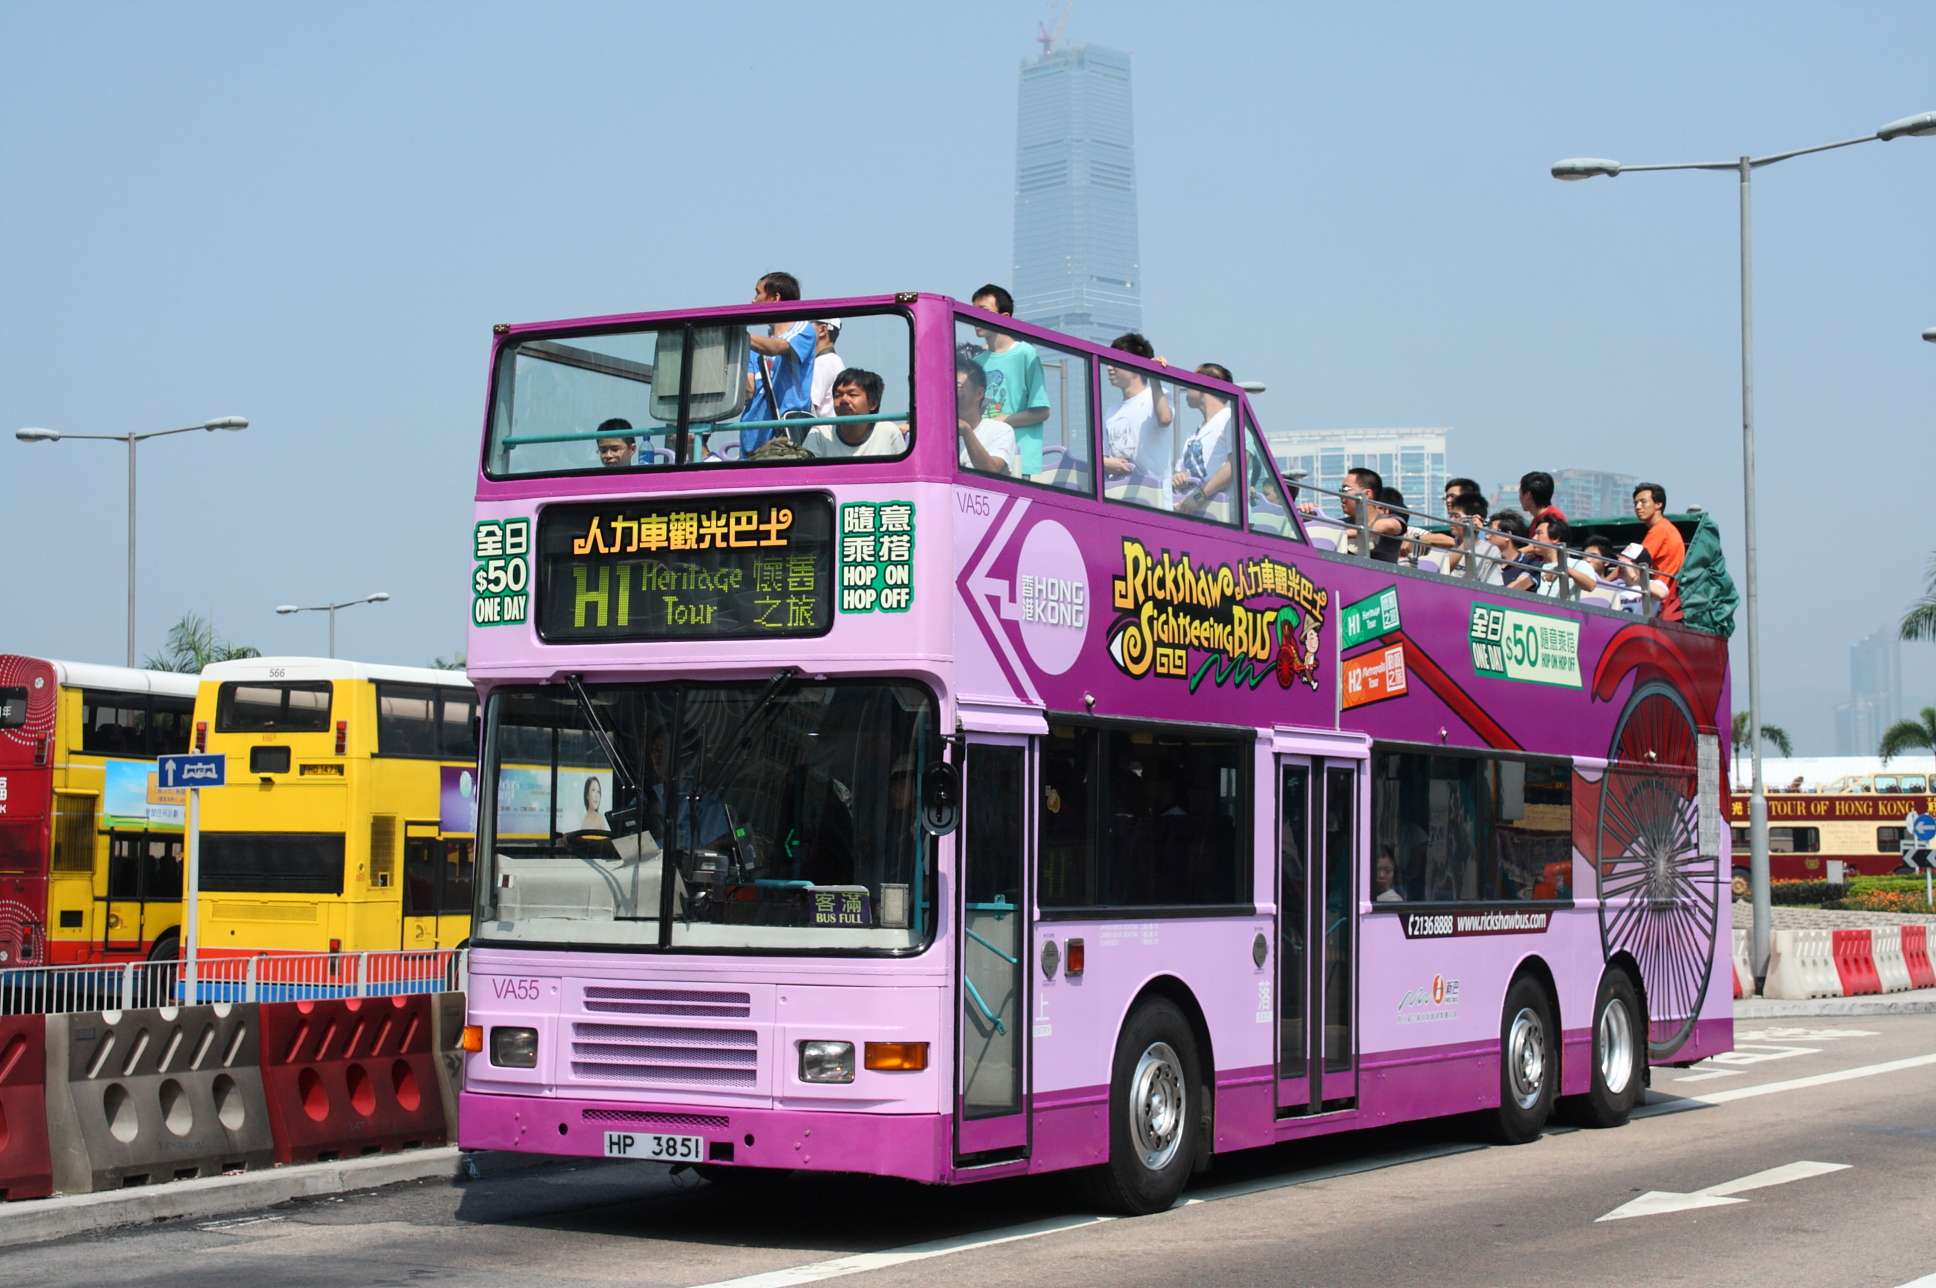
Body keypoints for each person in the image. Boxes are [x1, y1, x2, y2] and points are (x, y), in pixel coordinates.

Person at [969, 285, 1052, 476]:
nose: (975, 318)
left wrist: (1001, 421)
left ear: (1003, 317)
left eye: (983, 311)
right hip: (983, 458)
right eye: (971, 311)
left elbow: (1042, 411)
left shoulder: (1025, 353)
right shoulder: (976, 363)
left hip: (1019, 461)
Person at [739, 272, 815, 455]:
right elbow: (748, 391)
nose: (752, 300)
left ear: (775, 298)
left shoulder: (803, 329)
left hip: (784, 440)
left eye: (758, 293)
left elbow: (778, 346)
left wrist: (737, 335)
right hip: (752, 439)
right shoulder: (755, 348)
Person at [1101, 333, 1175, 508]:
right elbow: (1103, 456)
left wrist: (1155, 377)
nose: (1109, 368)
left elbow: (1165, 418)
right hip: (1118, 499)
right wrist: (1107, 464)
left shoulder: (1156, 395)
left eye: (1115, 361)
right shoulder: (1111, 411)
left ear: (1135, 365)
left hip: (1153, 502)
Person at [1173, 363, 1236, 516]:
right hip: (1192, 511)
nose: (1187, 387)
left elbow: (1233, 466)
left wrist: (1197, 497)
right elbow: (1180, 472)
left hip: (1219, 514)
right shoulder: (1195, 434)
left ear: (1203, 385)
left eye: (1192, 381)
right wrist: (1178, 478)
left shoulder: (1229, 419)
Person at [802, 368, 906, 458]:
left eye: (852, 394)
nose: (843, 400)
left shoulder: (888, 432)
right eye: (838, 395)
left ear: (873, 404)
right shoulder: (819, 434)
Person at [956, 358, 1019, 475]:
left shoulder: (1000, 430)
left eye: (957, 386)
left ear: (979, 393)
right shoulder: (936, 431)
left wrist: (966, 431)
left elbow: (992, 470)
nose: (950, 391)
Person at [1632, 482, 1685, 622]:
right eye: (1636, 503)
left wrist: (1604, 580)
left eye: (1643, 502)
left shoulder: (1660, 530)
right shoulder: (1667, 528)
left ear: (1658, 504)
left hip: (1657, 597)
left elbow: (1632, 562)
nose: (1638, 507)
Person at [808, 319, 846, 421]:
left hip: (822, 431)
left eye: (808, 325)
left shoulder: (823, 362)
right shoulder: (833, 360)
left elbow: (809, 408)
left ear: (822, 330)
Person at [1368, 487, 1408, 563]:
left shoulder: (1396, 520)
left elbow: (1388, 525)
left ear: (1386, 510)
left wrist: (1351, 532)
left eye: (1377, 507)